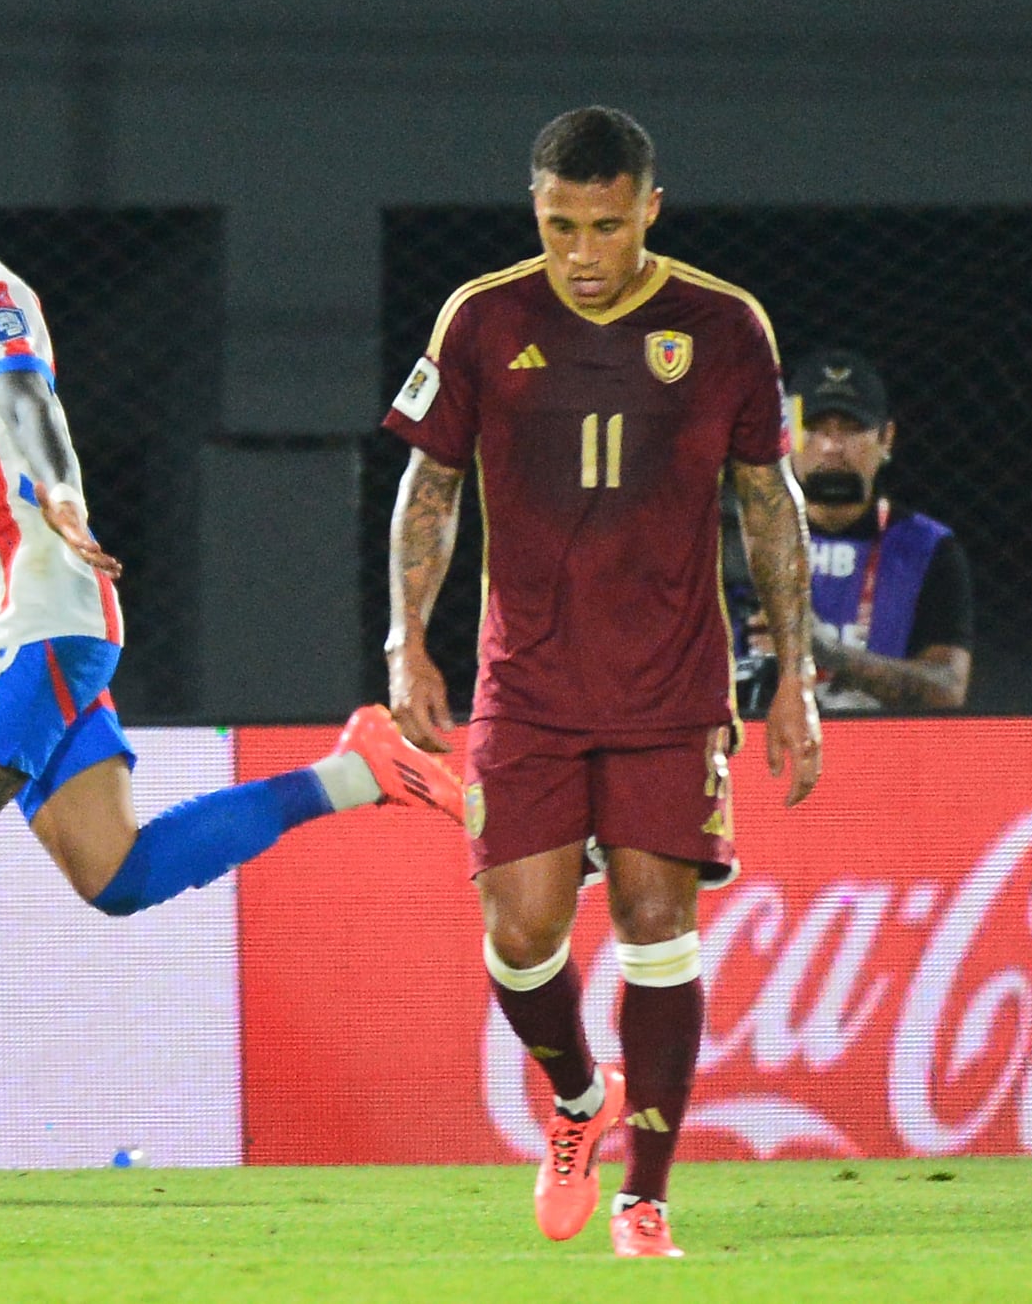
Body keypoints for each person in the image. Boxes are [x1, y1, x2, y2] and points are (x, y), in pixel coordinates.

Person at [0, 124, 465, 1173]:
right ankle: (357, 772)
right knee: (115, 875)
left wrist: (61, 493)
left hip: (38, 610)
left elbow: (29, 400)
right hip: (13, 624)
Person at [380, 106, 822, 1258]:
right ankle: (579, 1100)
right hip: (524, 684)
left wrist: (796, 676)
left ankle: (647, 1199)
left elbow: (767, 504)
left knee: (653, 920)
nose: (584, 254)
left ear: (649, 211)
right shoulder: (481, 318)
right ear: (536, 209)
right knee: (521, 935)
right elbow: (431, 489)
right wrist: (405, 639)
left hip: (669, 687)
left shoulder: (723, 326)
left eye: (609, 227)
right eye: (563, 225)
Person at [765, 348, 972, 711]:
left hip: (884, 757)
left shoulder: (928, 548)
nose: (831, 447)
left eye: (852, 429)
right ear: (785, 435)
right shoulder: (742, 542)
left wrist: (826, 652)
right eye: (813, 428)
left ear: (886, 438)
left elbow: (947, 690)